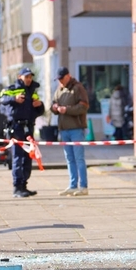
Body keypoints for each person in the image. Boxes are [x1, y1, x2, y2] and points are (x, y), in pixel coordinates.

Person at [0, 67, 45, 197]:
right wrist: (14, 99)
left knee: (28, 157)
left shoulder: (33, 91)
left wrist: (40, 105)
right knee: (18, 157)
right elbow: (2, 100)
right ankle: (17, 187)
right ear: (20, 77)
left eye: (30, 77)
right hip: (17, 128)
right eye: (26, 77)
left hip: (29, 128)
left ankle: (24, 185)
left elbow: (39, 111)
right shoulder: (12, 89)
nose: (29, 79)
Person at [50, 66, 90, 196]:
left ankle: (83, 187)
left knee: (79, 158)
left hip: (76, 129)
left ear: (68, 76)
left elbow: (84, 107)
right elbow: (53, 104)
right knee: (69, 159)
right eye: (58, 79)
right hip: (64, 129)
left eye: (62, 78)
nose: (60, 81)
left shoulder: (78, 88)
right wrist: (54, 108)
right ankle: (73, 185)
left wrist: (67, 110)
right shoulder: (59, 90)